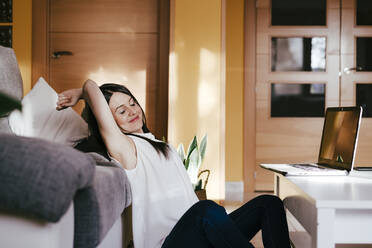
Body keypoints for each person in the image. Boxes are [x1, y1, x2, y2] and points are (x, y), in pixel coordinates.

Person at [56, 79, 291, 248]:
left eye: (132, 103)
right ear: (109, 121)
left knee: (269, 203)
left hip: (199, 234)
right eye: (121, 110)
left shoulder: (159, 144)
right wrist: (82, 91)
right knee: (206, 209)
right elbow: (93, 90)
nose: (132, 111)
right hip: (171, 242)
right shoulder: (125, 148)